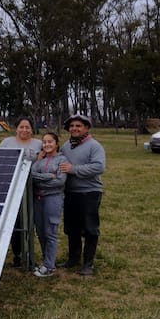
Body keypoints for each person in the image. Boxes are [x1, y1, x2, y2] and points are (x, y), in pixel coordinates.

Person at [58, 113, 106, 276]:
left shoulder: (94, 146)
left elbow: (98, 167)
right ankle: (73, 259)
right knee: (72, 228)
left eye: (78, 126)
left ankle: (88, 264)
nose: (74, 128)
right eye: (72, 126)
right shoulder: (66, 146)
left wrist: (74, 170)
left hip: (89, 192)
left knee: (90, 228)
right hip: (70, 193)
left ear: (86, 128)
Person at [0, 116, 42, 267]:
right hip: (12, 187)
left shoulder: (39, 143)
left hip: (32, 187)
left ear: (32, 129)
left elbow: (44, 162)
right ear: (16, 128)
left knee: (30, 221)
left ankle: (30, 253)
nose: (24, 130)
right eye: (21, 127)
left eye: (27, 127)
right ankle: (17, 254)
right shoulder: (6, 143)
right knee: (15, 222)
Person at [30, 132, 68, 277]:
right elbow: (31, 176)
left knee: (50, 232)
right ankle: (47, 261)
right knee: (40, 231)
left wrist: (41, 181)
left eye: (50, 142)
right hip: (38, 199)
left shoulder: (62, 159)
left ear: (56, 143)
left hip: (53, 198)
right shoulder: (39, 160)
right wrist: (48, 176)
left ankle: (49, 266)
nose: (47, 145)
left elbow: (60, 182)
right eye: (44, 142)